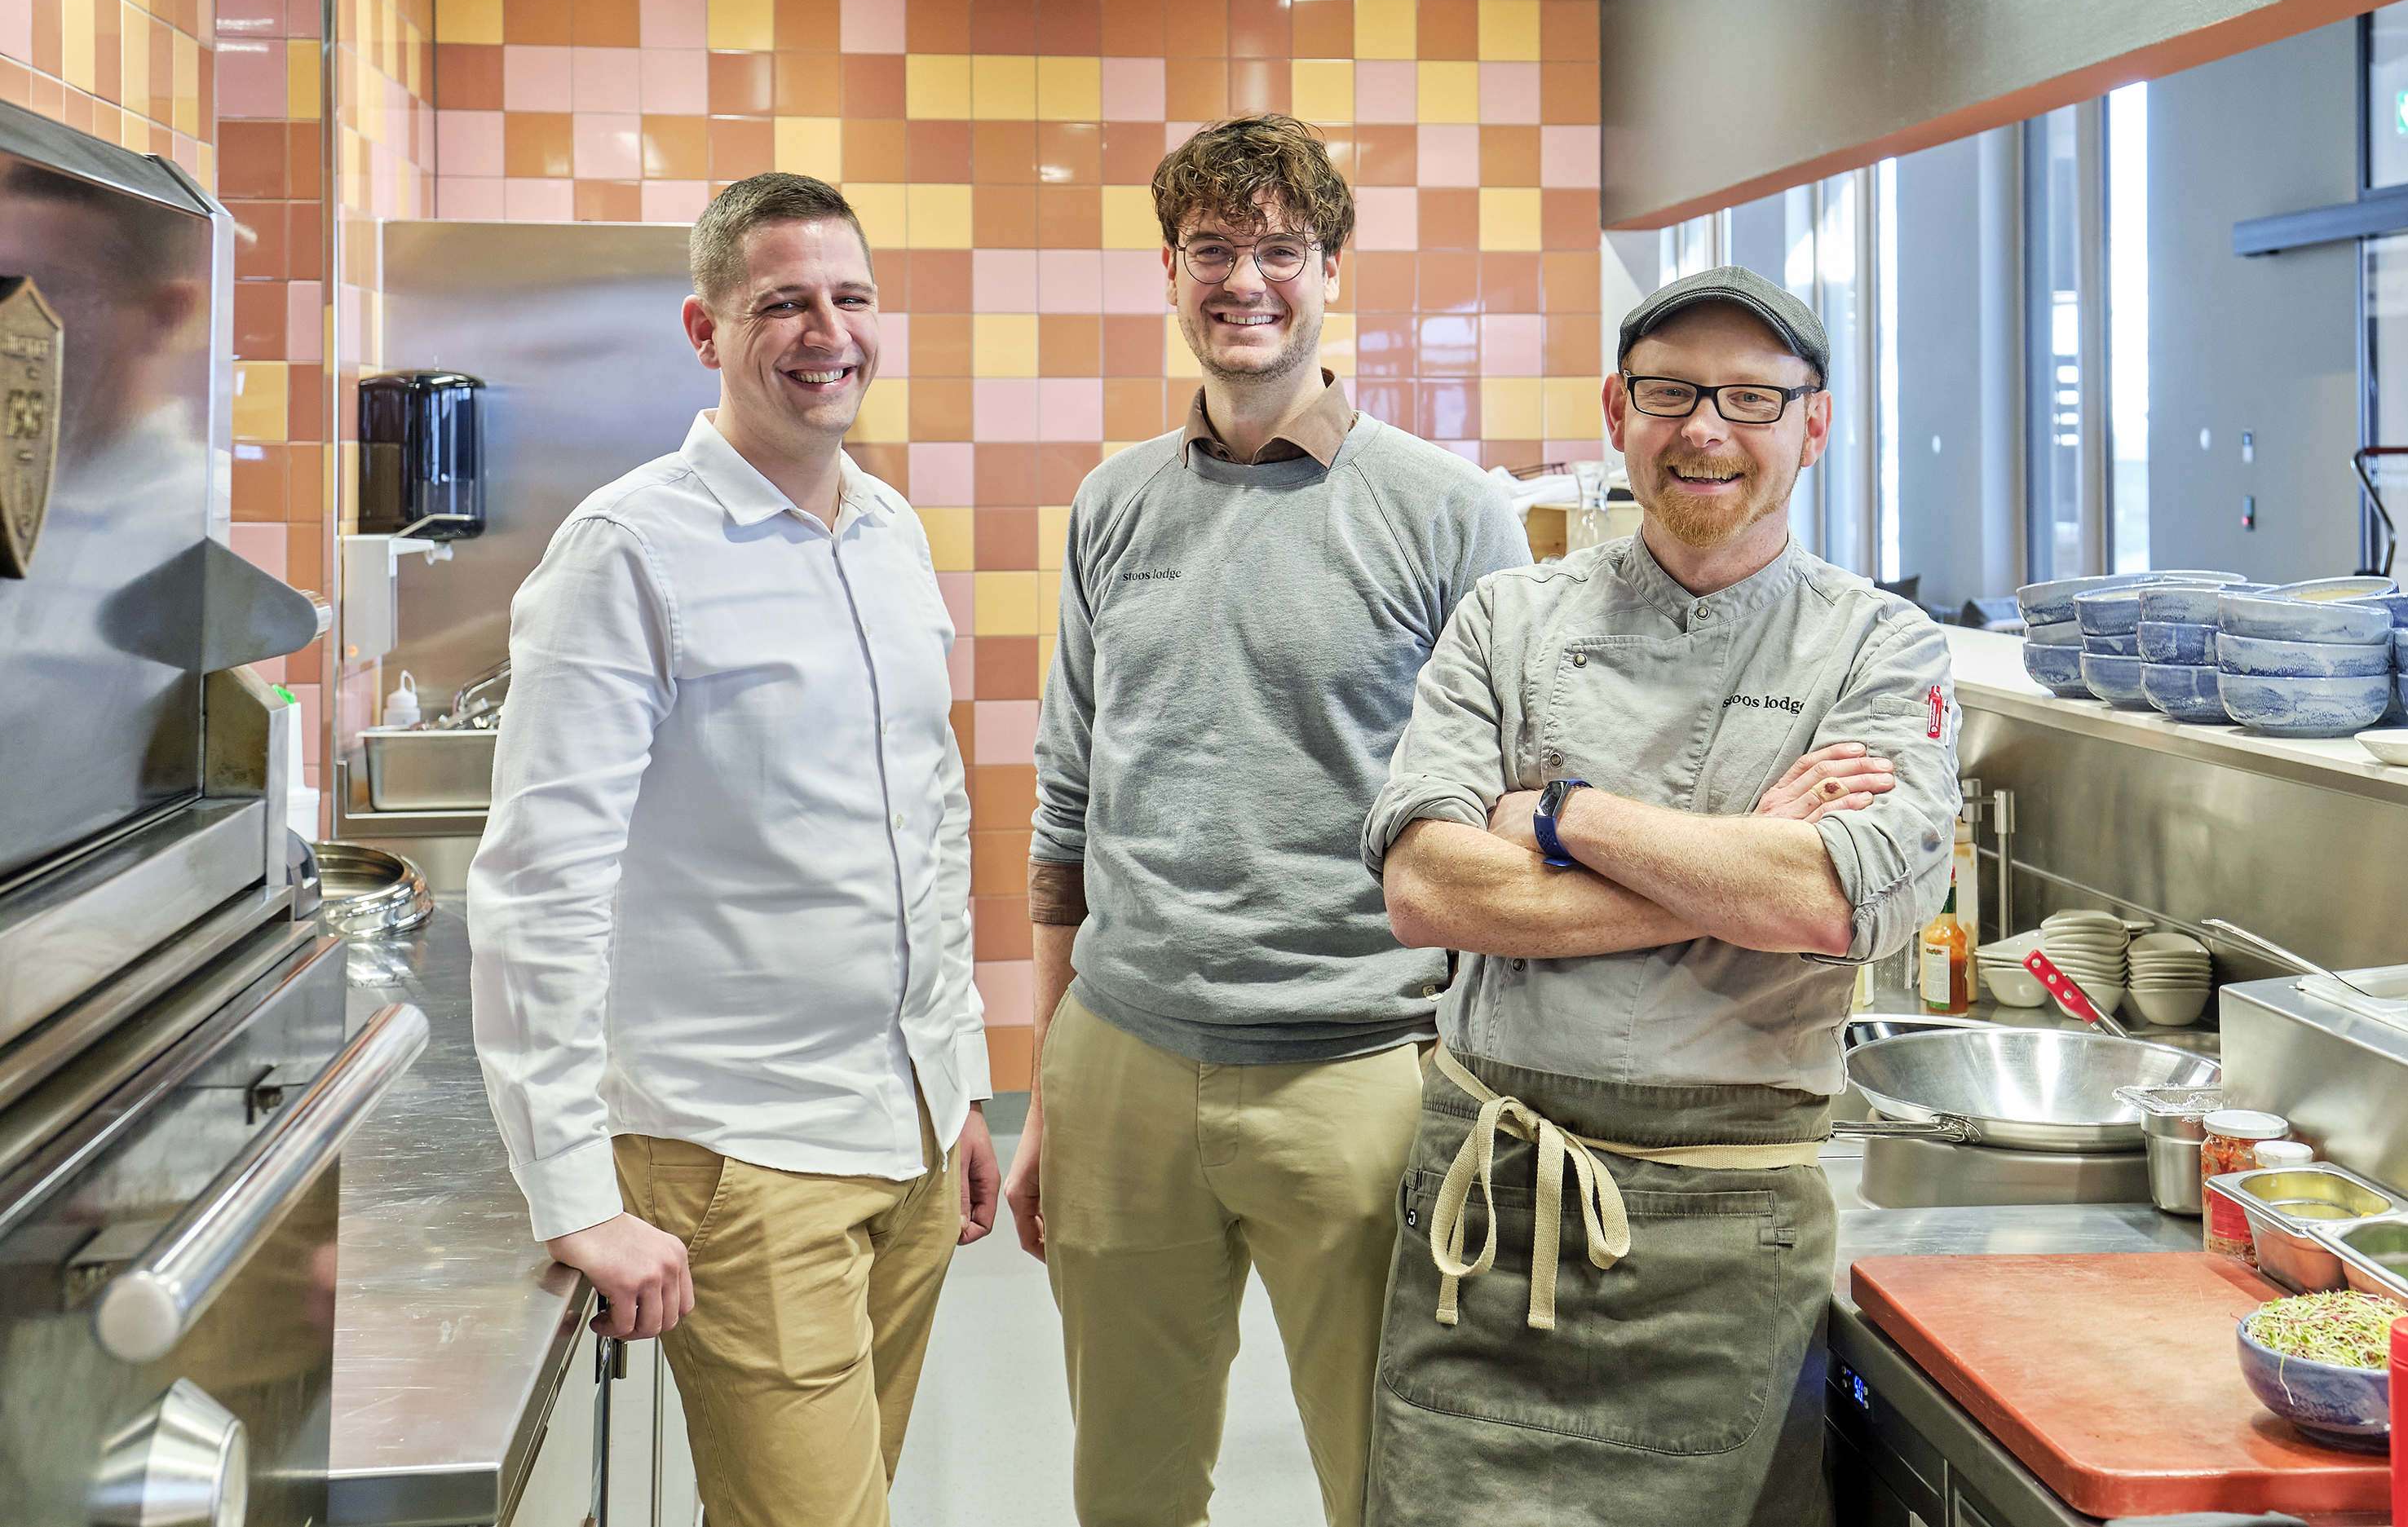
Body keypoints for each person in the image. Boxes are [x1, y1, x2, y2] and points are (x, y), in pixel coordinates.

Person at [1358, 265, 1961, 1527]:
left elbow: (1838, 905)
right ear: (1615, 410)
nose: (1704, 429)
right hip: (1492, 1192)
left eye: (1750, 397)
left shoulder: (1877, 645)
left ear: (1815, 422)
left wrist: (1564, 816)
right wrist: (1741, 862)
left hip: (1727, 1227)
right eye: (1671, 391)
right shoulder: (1503, 619)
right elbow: (1422, 883)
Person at [996, 113, 1532, 1527]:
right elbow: (1067, 800)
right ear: (1168, 272)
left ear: (1332, 269)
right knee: (1127, 1486)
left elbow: (1506, 811)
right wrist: (1051, 1078)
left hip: (1360, 1070)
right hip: (1122, 1063)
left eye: (1280, 249)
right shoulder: (1111, 504)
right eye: (1213, 250)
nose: (1247, 282)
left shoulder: (1446, 512)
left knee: (1390, 1481)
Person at [468, 173, 999, 1527]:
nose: (828, 331)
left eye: (851, 297)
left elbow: (925, 822)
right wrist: (570, 1187)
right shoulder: (629, 550)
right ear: (707, 332)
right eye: (782, 302)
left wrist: (963, 1080)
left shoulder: (886, 529)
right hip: (743, 1151)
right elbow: (541, 882)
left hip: (909, 1134)